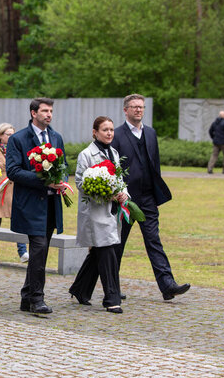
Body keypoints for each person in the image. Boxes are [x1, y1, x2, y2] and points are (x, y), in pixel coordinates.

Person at [111, 94, 190, 301]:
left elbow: (155, 165)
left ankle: (168, 285)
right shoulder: (116, 135)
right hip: (125, 200)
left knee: (154, 241)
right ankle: (112, 287)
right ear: (125, 110)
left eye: (141, 107)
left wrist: (156, 194)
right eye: (134, 107)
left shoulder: (151, 133)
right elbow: (112, 168)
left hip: (147, 198)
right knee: (118, 244)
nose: (138, 110)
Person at [6, 97, 67, 314]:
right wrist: (43, 179)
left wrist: (61, 180)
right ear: (33, 113)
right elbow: (13, 171)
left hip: (52, 203)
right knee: (39, 248)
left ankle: (26, 296)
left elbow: (64, 165)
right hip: (31, 205)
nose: (49, 114)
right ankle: (37, 299)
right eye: (44, 111)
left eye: (51, 111)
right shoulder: (19, 139)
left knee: (41, 251)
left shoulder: (56, 137)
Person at [68, 116, 126, 313]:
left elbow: (119, 179)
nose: (109, 133)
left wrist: (123, 194)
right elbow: (80, 182)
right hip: (95, 211)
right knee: (108, 251)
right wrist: (105, 192)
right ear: (95, 132)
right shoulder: (86, 154)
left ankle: (80, 289)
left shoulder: (114, 153)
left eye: (111, 129)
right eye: (104, 130)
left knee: (100, 251)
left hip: (112, 211)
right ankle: (112, 298)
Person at [0, 123, 28, 262]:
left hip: (14, 187)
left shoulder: (17, 147)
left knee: (18, 219)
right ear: (0, 135)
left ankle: (22, 252)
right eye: (8, 134)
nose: (11, 136)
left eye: (12, 134)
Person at [207, 110, 224, 174]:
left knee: (214, 155)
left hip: (216, 142)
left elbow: (210, 131)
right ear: (223, 116)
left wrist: (213, 138)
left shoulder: (214, 123)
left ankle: (210, 168)